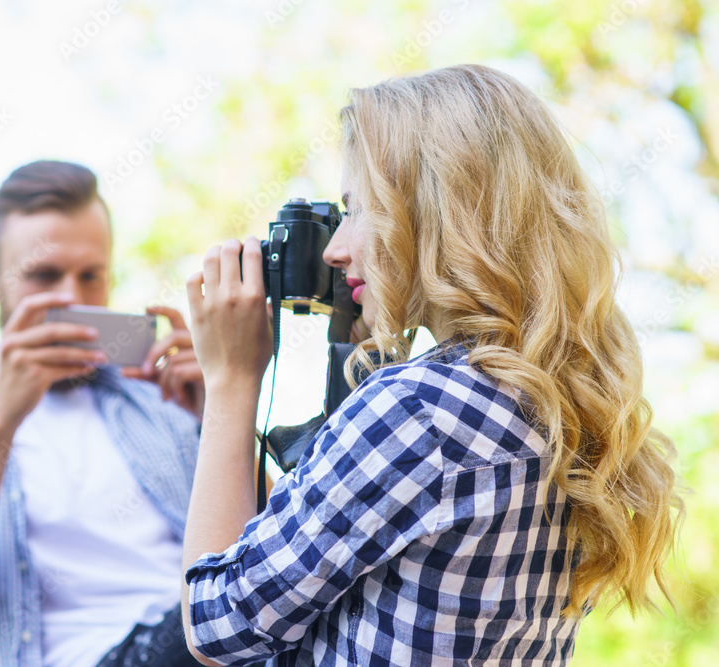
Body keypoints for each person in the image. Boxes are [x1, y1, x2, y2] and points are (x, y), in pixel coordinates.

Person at [179, 65, 683, 666]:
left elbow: (217, 626)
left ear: (441, 211)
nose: (338, 250)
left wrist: (231, 382)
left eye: (361, 210)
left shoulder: (420, 409)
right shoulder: (554, 407)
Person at [0, 160, 217, 667]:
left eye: (90, 276)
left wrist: (222, 414)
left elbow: (279, 555)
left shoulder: (160, 399)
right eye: (44, 275)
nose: (71, 298)